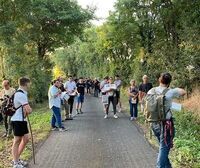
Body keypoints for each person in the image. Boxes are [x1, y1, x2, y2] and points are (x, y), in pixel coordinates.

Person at [147, 73, 186, 168]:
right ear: (169, 82)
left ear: (159, 80)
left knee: (163, 148)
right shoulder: (170, 92)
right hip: (166, 125)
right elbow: (183, 92)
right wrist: (172, 88)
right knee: (163, 148)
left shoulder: (151, 91)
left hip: (153, 122)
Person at [11, 77, 32, 168]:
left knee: (26, 139)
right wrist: (29, 109)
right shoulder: (21, 94)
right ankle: (15, 163)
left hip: (21, 120)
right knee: (17, 141)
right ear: (26, 83)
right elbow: (29, 110)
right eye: (29, 83)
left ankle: (16, 159)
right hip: (17, 120)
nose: (30, 85)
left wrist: (26, 110)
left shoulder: (22, 93)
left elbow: (25, 109)